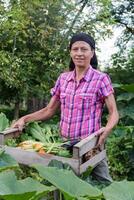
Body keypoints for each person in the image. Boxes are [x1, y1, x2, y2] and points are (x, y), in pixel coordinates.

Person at [12, 33, 119, 183]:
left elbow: (114, 113)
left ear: (92, 52)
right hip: (64, 146)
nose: (79, 53)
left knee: (105, 185)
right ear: (70, 52)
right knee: (62, 187)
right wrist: (24, 118)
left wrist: (107, 129)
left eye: (84, 49)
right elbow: (49, 110)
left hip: (90, 145)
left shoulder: (101, 79)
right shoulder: (63, 79)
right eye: (75, 49)